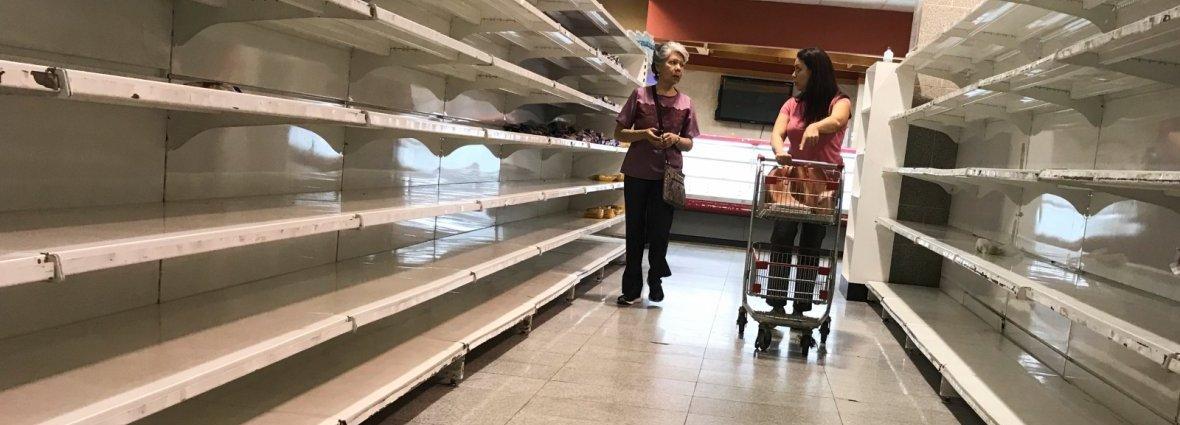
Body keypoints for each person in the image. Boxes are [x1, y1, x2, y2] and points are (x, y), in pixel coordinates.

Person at [613, 41, 700, 306]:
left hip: (668, 177)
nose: (678, 69)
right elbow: (618, 132)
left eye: (681, 65)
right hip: (637, 174)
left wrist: (675, 139)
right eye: (673, 63)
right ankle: (631, 289)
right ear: (658, 66)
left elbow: (690, 143)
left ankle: (656, 279)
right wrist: (643, 135)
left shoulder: (686, 103)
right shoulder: (639, 95)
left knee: (660, 233)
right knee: (634, 232)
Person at [767, 47, 852, 315]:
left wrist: (816, 126)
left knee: (812, 242)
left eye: (798, 69)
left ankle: (802, 305)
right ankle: (777, 301)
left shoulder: (840, 101)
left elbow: (838, 120)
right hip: (792, 181)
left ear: (815, 72)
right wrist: (780, 151)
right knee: (781, 235)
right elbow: (777, 133)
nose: (793, 75)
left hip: (823, 184)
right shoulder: (792, 104)